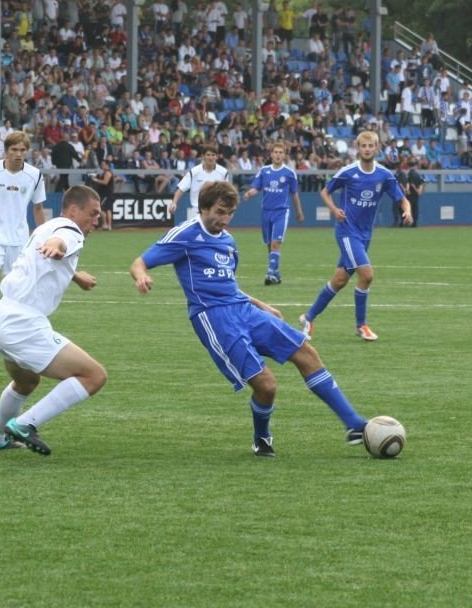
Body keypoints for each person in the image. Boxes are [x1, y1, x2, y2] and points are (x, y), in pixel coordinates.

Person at [130, 181, 370, 457]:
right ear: (203, 208)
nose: (224, 219)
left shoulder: (229, 242)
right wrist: (142, 276)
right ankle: (262, 437)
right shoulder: (184, 235)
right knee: (267, 386)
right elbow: (139, 261)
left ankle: (353, 423)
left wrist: (262, 304)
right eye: (219, 212)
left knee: (306, 352)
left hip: (244, 310)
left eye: (229, 213)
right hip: (214, 318)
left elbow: (228, 285)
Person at [0, 185, 106, 453]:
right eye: (93, 214)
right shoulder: (70, 231)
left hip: (0, 314)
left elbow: (47, 253)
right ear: (73, 210)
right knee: (94, 376)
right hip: (22, 324)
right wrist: (56, 245)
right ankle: (26, 424)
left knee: (26, 382)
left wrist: (74, 273)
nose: (97, 221)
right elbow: (61, 242)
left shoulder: (45, 227)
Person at [299, 131, 412, 342]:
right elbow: (325, 191)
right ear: (357, 148)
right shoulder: (348, 172)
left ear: (377, 148)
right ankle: (361, 325)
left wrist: (408, 210)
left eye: (371, 146)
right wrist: (334, 209)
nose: (367, 149)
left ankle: (308, 317)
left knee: (340, 280)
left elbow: (402, 199)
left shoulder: (384, 175)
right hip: (346, 231)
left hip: (365, 234)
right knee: (367, 275)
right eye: (363, 146)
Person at [0, 131, 47, 353]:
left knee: (14, 291)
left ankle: (13, 333)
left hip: (20, 239)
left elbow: (38, 207)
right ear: (6, 151)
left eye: (22, 150)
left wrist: (42, 236)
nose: (18, 154)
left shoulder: (34, 175)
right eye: (14, 150)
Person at [241, 142, 303, 285]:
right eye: (275, 152)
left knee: (276, 243)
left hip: (281, 212)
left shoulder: (289, 173)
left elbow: (294, 194)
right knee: (269, 245)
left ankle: (270, 274)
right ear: (271, 154)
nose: (278, 155)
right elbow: (256, 187)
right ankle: (276, 273)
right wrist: (250, 193)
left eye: (281, 152)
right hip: (266, 212)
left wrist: (299, 212)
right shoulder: (264, 171)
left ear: (284, 155)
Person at [168, 143, 230, 221]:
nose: (210, 157)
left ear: (217, 157)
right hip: (197, 211)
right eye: (208, 155)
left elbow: (226, 192)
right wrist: (174, 202)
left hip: (215, 212)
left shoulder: (223, 172)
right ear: (203, 156)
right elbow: (181, 189)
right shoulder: (194, 172)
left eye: (213, 155)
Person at [88, 158, 115, 230]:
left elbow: (105, 182)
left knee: (102, 209)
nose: (101, 166)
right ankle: (109, 226)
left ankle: (105, 224)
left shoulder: (107, 173)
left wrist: (95, 180)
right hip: (107, 193)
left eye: (103, 164)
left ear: (107, 165)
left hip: (106, 194)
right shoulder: (106, 172)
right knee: (108, 209)